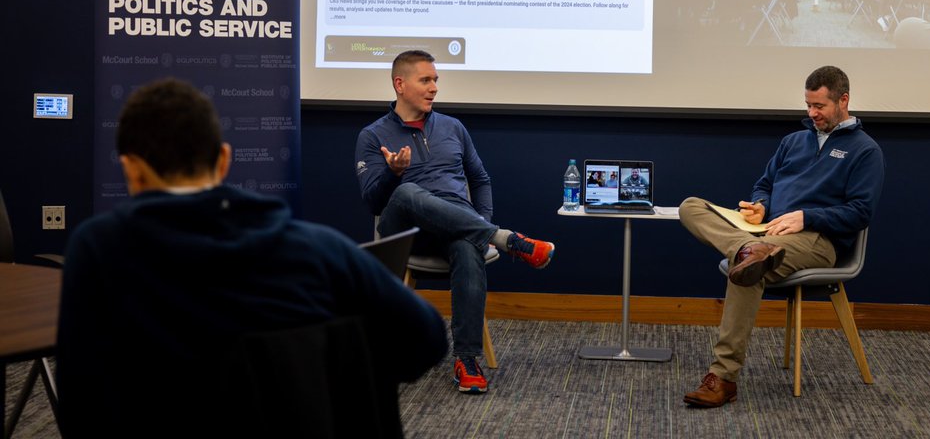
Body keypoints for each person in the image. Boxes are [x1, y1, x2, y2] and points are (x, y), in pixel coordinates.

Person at [56, 79, 448, 437]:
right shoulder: (319, 251)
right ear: (224, 161)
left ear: (131, 170)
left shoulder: (100, 252)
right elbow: (427, 340)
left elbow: (82, 405)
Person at [678, 65, 884, 407]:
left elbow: (860, 212)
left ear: (843, 100)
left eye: (819, 106)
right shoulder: (793, 142)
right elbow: (764, 185)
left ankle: (723, 378)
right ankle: (749, 250)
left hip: (817, 241)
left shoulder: (866, 151)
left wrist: (807, 217)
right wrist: (760, 206)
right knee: (690, 206)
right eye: (808, 105)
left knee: (745, 270)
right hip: (764, 233)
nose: (811, 113)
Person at [355, 50, 556, 395]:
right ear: (400, 84)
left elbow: (480, 180)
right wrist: (393, 174)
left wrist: (479, 223)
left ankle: (467, 360)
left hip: (455, 227)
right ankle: (506, 239)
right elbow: (374, 201)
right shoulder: (373, 136)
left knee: (466, 245)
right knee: (407, 192)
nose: (434, 87)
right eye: (426, 80)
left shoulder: (453, 127)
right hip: (406, 230)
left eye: (436, 80)